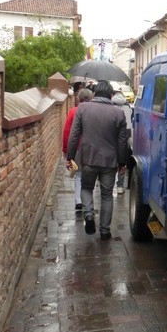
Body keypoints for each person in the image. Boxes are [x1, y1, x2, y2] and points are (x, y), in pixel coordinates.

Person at [66, 80, 129, 240]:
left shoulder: (83, 108)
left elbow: (74, 135)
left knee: (86, 188)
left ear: (94, 94)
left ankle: (88, 215)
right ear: (111, 95)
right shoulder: (118, 113)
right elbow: (122, 141)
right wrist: (122, 162)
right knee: (107, 195)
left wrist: (70, 156)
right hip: (109, 161)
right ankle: (105, 231)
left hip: (88, 159)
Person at [63, 88, 93, 210]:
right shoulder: (94, 112)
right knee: (90, 174)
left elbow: (67, 133)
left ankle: (78, 200)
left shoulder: (73, 112)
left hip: (77, 148)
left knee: (78, 174)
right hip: (91, 148)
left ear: (79, 99)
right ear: (90, 98)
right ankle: (88, 201)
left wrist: (66, 151)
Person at [111, 89, 133, 194]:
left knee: (111, 159)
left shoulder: (110, 105)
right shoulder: (127, 105)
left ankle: (108, 184)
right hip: (126, 133)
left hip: (112, 133)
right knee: (122, 160)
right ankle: (120, 186)